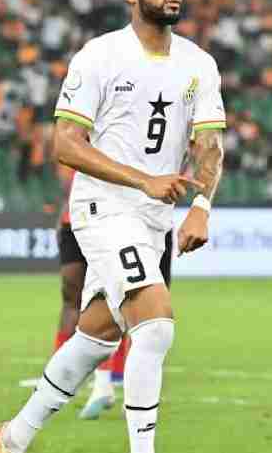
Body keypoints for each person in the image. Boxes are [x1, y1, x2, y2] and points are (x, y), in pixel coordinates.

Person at [0, 0, 226, 452]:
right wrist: (143, 180)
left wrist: (201, 206)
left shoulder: (199, 64)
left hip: (154, 219)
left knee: (97, 335)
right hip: (103, 208)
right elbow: (66, 143)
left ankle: (13, 437)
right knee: (155, 324)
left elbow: (210, 144)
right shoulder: (100, 55)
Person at [51, 168, 174, 420]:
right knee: (91, 299)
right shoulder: (79, 147)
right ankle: (86, 380)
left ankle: (121, 384)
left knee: (137, 304)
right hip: (84, 219)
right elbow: (68, 176)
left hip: (142, 221)